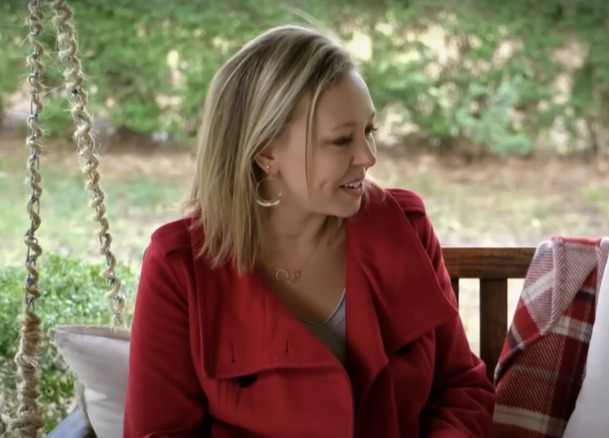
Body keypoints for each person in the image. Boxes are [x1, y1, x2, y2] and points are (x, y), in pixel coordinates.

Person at [123, 24, 496, 437]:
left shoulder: (403, 228)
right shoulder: (181, 267)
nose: (368, 157)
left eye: (370, 131)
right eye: (341, 141)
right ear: (266, 152)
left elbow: (461, 388)